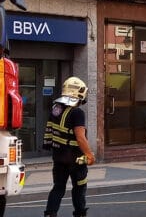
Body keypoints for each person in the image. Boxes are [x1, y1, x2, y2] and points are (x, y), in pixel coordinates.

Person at [43, 77, 95, 217]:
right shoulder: (77, 112)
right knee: (79, 187)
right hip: (76, 158)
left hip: (59, 156)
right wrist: (89, 155)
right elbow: (80, 137)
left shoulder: (56, 109)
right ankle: (79, 213)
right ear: (77, 92)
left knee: (58, 187)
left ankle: (50, 213)